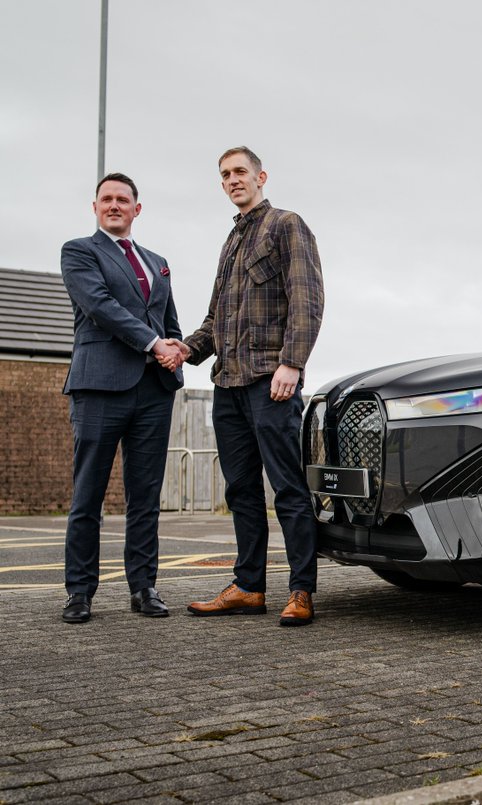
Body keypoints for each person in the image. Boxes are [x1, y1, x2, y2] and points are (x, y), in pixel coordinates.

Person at [170, 146, 324, 627]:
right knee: (240, 490)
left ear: (261, 176)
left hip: (270, 383)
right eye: (225, 175)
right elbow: (215, 320)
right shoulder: (231, 241)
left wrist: (292, 363)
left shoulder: (286, 225)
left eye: (240, 171)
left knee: (288, 488)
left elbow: (307, 299)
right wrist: (185, 349)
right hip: (229, 386)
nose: (233, 179)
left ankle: (301, 590)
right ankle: (249, 587)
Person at [59, 172, 186, 624]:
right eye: (106, 199)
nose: (114, 205)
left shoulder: (158, 262)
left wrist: (177, 348)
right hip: (99, 386)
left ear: (137, 208)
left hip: (153, 391)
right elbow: (100, 307)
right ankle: (79, 592)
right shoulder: (79, 251)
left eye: (123, 199)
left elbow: (167, 320)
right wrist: (155, 344)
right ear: (95, 208)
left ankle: (144, 587)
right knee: (88, 495)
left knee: (145, 497)